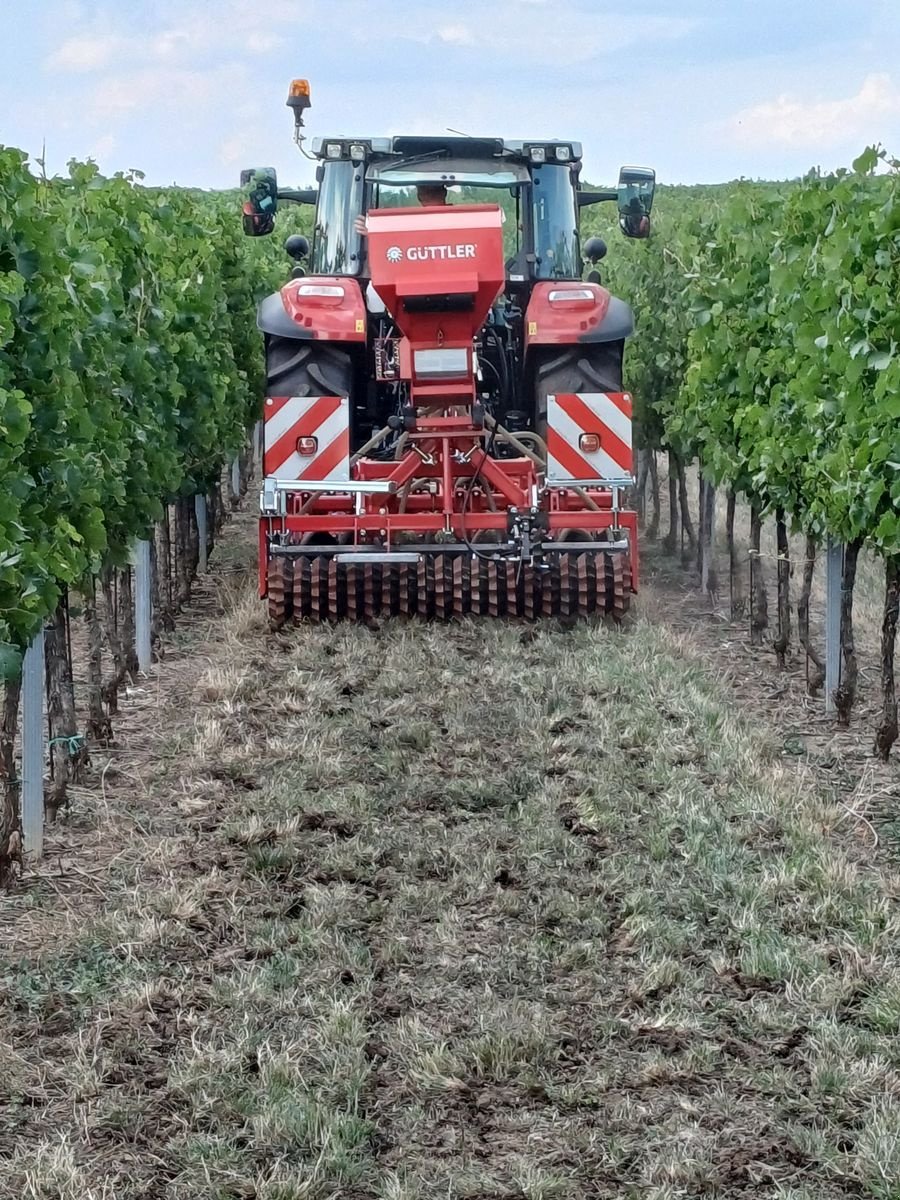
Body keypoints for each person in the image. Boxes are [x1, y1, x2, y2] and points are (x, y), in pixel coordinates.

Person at [354, 182, 449, 235]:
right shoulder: (407, 223)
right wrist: (373, 233)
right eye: (425, 189)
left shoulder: (461, 219)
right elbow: (397, 244)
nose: (428, 192)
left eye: (433, 189)